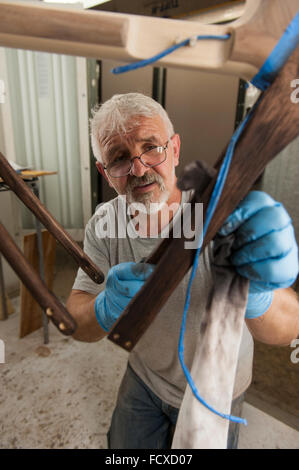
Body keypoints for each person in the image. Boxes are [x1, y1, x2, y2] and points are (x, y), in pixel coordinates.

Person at [66, 92, 299, 449]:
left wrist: (259, 294)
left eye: (151, 147)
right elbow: (76, 321)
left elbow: (290, 328)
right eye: (119, 158)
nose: (139, 168)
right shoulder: (104, 224)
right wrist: (102, 307)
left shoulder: (221, 213)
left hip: (216, 387)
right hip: (144, 376)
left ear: (174, 149)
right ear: (104, 172)